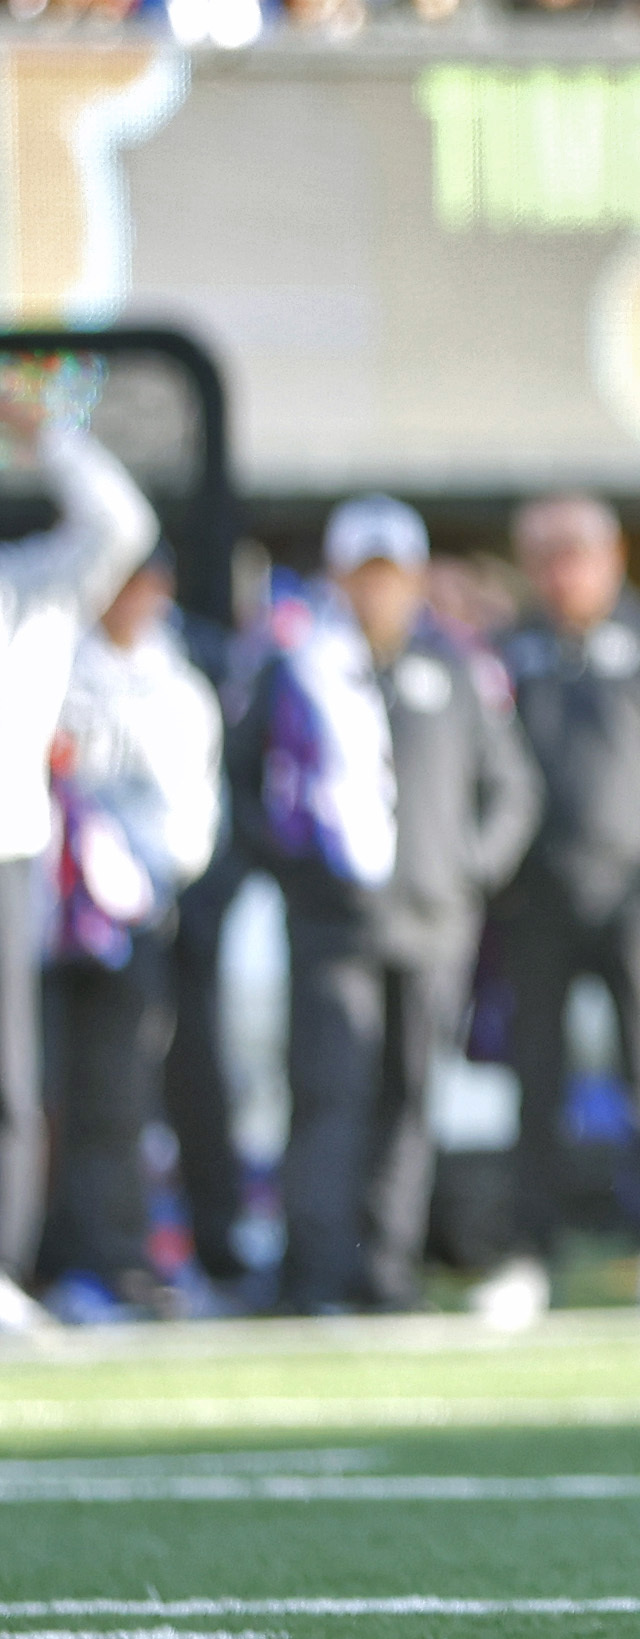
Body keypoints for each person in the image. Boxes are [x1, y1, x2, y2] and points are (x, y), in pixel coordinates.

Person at [251, 498, 538, 1316]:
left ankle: (385, 1266)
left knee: (409, 1100)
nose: (379, 590)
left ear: (413, 578)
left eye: (392, 574)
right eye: (364, 574)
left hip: (433, 923)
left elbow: (510, 785)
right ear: (340, 578)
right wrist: (295, 871)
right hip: (333, 926)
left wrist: (466, 870)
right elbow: (244, 785)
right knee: (327, 1093)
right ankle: (313, 1270)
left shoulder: (453, 667)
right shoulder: (299, 664)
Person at [486, 492, 640, 1332]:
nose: (560, 573)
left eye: (575, 553)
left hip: (637, 896)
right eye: (544, 554)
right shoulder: (510, 652)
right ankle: (527, 1249)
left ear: (611, 557)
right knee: (536, 1077)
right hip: (537, 901)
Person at [0, 383, 157, 1325]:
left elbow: (121, 520)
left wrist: (41, 433)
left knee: (6, 1076)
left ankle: (1, 1268)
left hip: (5, 851)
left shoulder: (37, 584)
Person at [46, 546, 217, 1318]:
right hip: (42, 918)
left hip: (136, 917)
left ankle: (115, 1258)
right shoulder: (47, 662)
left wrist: (132, 878)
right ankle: (48, 1258)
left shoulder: (178, 685)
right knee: (43, 1094)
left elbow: (192, 816)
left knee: (120, 1094)